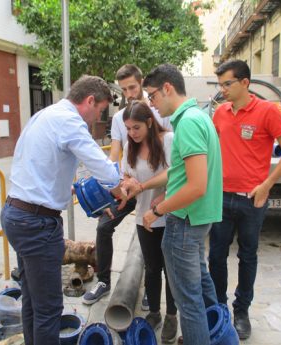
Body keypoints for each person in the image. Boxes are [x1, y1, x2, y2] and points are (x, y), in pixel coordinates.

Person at [0, 75, 127, 345]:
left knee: (33, 300)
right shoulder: (70, 121)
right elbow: (102, 166)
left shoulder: (45, 115)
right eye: (101, 110)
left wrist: (66, 191)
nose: (97, 117)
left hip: (16, 213)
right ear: (90, 100)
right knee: (48, 309)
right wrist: (119, 186)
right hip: (36, 224)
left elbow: (38, 165)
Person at [208, 59, 281, 340]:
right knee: (215, 256)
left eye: (227, 84)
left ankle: (242, 310)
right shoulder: (220, 113)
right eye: (220, 84)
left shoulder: (267, 112)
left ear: (245, 83)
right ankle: (219, 307)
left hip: (252, 200)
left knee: (248, 256)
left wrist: (266, 185)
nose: (222, 89)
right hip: (221, 198)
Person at [141, 64, 223, 345]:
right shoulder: (199, 117)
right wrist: (164, 196)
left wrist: (157, 210)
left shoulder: (187, 122)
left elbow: (197, 185)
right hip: (198, 220)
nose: (151, 103)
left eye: (152, 96)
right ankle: (223, 337)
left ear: (167, 88)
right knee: (203, 289)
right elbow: (185, 175)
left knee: (189, 304)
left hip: (184, 224)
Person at [83, 64, 171, 305]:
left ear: (141, 82)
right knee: (104, 226)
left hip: (156, 188)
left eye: (132, 87)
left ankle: (151, 291)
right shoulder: (120, 118)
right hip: (129, 185)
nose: (129, 93)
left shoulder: (159, 111)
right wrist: (115, 187)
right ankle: (103, 280)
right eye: (123, 89)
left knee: (155, 241)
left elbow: (172, 157)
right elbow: (115, 154)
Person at [121, 101, 178, 344]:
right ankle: (154, 312)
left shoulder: (168, 141)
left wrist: (143, 186)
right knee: (152, 269)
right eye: (128, 129)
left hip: (169, 215)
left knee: (171, 271)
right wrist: (126, 186)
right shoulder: (128, 146)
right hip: (143, 218)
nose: (132, 134)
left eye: (136, 128)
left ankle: (172, 316)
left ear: (149, 123)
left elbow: (175, 174)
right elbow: (126, 174)